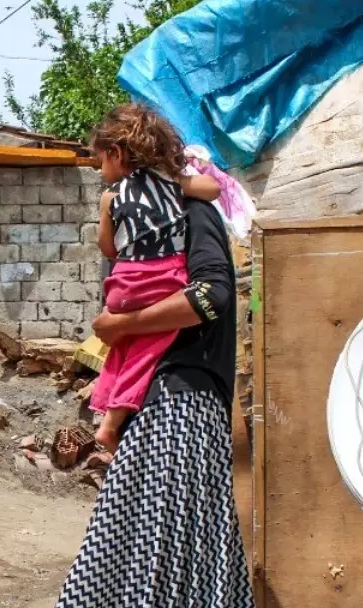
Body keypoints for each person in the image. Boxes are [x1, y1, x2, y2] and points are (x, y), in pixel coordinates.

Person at [2, 199, 287, 608]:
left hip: (180, 409)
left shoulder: (191, 211)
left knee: (128, 571)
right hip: (170, 410)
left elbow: (212, 297)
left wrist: (119, 326)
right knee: (191, 573)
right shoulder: (156, 228)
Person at [88, 104, 221, 454]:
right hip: (162, 279)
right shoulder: (171, 183)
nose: (101, 170)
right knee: (147, 347)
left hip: (121, 284)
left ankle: (102, 406)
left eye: (101, 160)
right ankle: (111, 423)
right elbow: (213, 191)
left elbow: (107, 248)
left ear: (116, 153)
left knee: (122, 344)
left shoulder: (110, 196)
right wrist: (180, 180)